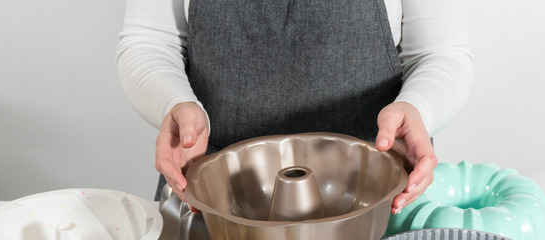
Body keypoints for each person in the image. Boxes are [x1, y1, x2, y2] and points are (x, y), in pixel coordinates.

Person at [117, 0, 472, 214]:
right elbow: (150, 43)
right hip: (213, 209)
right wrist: (174, 103)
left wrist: (417, 108)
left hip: (377, 211)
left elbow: (439, 54)